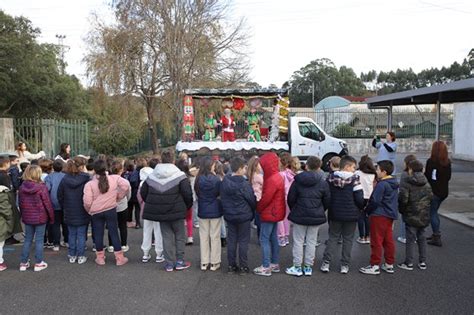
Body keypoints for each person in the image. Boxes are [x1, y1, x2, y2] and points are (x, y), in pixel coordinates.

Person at [140, 151, 193, 272]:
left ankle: (169, 263)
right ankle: (180, 261)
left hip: (161, 211)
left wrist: (155, 203)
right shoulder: (180, 175)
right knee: (180, 237)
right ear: (173, 160)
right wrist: (187, 206)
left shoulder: (152, 176)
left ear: (161, 160)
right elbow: (187, 193)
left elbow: (143, 193)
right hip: (178, 211)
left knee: (166, 237)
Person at [286, 156, 330, 277]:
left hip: (299, 213)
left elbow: (291, 198)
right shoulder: (322, 182)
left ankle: (297, 266)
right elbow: (327, 200)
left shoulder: (297, 181)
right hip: (316, 214)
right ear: (319, 167)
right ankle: (308, 266)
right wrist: (321, 209)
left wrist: (294, 209)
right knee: (312, 241)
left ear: (306, 166)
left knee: (298, 241)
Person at [321, 156, 364, 274]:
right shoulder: (355, 179)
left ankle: (326, 262)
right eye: (353, 167)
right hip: (351, 214)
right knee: (348, 239)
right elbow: (360, 199)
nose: (354, 170)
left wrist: (328, 207)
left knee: (333, 238)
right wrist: (360, 208)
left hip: (335, 213)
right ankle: (344, 265)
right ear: (347, 166)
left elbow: (326, 195)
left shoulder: (330, 178)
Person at [83, 159, 130, 266]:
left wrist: (89, 209)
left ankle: (100, 258)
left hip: (96, 211)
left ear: (94, 170)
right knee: (114, 232)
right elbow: (126, 185)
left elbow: (87, 201)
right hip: (110, 209)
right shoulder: (114, 179)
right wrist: (119, 196)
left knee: (98, 233)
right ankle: (119, 258)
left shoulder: (89, 184)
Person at [359, 160, 399, 275]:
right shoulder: (393, 183)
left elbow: (375, 200)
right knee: (388, 240)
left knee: (376, 240)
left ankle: (374, 265)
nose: (376, 171)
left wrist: (367, 210)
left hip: (379, 214)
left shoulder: (382, 184)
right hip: (390, 214)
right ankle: (389, 263)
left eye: (378, 169)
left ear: (384, 172)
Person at [221, 156, 256, 275]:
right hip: (244, 215)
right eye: (244, 168)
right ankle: (243, 266)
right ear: (240, 169)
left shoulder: (225, 182)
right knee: (243, 241)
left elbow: (222, 199)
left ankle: (231, 265)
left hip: (230, 215)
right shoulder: (245, 184)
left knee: (232, 240)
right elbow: (252, 200)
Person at [253, 152, 285, 276]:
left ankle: (266, 266)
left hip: (269, 212)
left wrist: (258, 208)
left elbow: (266, 198)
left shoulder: (271, 179)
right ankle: (274, 263)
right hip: (276, 212)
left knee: (264, 238)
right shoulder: (277, 176)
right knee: (273, 238)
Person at [398, 160, 433, 271]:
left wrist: (402, 211)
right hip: (424, 214)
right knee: (422, 238)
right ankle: (422, 262)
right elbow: (431, 197)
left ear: (410, 170)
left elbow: (403, 199)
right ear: (422, 169)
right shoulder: (427, 182)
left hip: (411, 214)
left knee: (410, 239)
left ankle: (409, 262)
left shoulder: (407, 182)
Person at [18, 165, 54, 272]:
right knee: (39, 240)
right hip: (40, 217)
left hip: (28, 217)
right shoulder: (42, 187)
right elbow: (47, 204)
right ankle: (38, 263)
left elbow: (20, 203)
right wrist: (51, 217)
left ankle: (23, 263)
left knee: (28, 239)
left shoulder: (21, 188)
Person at [58, 156, 91, 264]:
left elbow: (60, 195)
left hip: (69, 209)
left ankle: (72, 255)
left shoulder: (64, 179)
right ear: (82, 166)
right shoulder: (86, 178)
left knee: (71, 234)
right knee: (81, 234)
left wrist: (64, 206)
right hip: (82, 209)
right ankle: (81, 255)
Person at [195, 157, 222, 271]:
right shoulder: (216, 179)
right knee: (215, 237)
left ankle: (204, 262)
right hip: (215, 209)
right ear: (210, 166)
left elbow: (197, 193)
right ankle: (214, 262)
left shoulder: (198, 179)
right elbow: (219, 193)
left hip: (202, 210)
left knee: (203, 237)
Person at [424, 141, 451, 247]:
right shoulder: (447, 162)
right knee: (434, 212)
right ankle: (435, 234)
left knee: (433, 213)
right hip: (444, 191)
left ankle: (436, 236)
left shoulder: (431, 162)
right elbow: (448, 177)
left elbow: (427, 177)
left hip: (434, 191)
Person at [0, 156, 23, 271]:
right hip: (4, 209)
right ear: (6, 164)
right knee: (0, 240)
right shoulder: (5, 177)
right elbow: (5, 201)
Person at [107, 161, 131, 253]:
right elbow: (128, 194)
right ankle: (124, 244)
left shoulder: (107, 181)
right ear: (121, 170)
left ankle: (111, 245)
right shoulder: (125, 182)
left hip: (110, 205)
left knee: (111, 226)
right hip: (122, 205)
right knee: (122, 226)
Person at [44, 159, 67, 251]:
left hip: (53, 203)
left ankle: (56, 243)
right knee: (65, 223)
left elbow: (47, 189)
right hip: (65, 203)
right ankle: (67, 240)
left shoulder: (49, 177)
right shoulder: (66, 176)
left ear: (53, 167)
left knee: (55, 224)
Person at [278, 154, 300, 247]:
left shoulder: (281, 174)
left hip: (281, 197)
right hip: (290, 198)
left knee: (280, 218)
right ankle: (286, 236)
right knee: (287, 218)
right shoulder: (293, 175)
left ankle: (280, 237)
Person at [354, 155, 376, 245]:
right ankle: (368, 236)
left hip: (360, 196)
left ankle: (361, 236)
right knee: (367, 217)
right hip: (370, 197)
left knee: (360, 216)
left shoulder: (357, 173)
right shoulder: (373, 174)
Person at [397, 154, 417, 244]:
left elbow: (402, 188)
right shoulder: (418, 174)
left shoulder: (404, 174)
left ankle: (404, 236)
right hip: (416, 199)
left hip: (406, 199)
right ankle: (414, 237)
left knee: (404, 219)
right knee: (415, 219)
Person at [176, 159, 195, 245]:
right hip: (189, 200)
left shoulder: (176, 177)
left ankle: (180, 238)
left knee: (179, 220)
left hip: (179, 201)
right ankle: (190, 237)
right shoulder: (191, 177)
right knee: (189, 219)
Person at [247, 156, 263, 240]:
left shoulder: (250, 175)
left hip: (253, 198)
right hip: (259, 198)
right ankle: (260, 237)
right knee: (260, 219)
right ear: (256, 166)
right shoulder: (258, 176)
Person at [128, 158, 146, 228]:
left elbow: (132, 181)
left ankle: (130, 221)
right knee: (137, 208)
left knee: (131, 207)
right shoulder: (144, 172)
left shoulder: (134, 172)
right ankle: (138, 222)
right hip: (140, 191)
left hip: (133, 191)